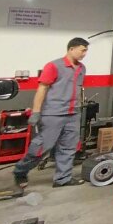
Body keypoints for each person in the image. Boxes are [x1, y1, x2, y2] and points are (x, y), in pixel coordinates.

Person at [14, 37, 90, 188]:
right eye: (82, 50)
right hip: (53, 113)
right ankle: (20, 171)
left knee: (69, 147)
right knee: (43, 146)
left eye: (86, 51)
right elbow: (42, 88)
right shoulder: (53, 66)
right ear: (71, 49)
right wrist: (36, 112)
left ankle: (62, 179)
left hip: (73, 114)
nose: (84, 54)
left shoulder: (82, 68)